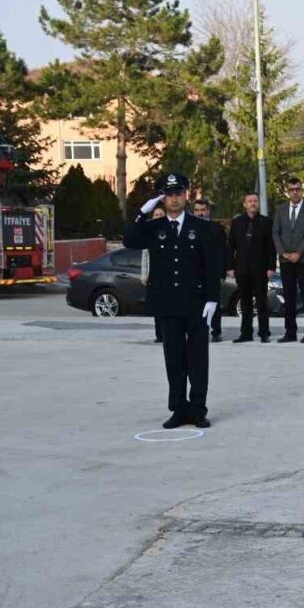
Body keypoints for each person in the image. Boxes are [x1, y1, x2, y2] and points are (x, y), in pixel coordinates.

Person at [123, 172, 221, 428]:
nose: (174, 199)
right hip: (167, 303)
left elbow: (212, 265)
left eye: (178, 194)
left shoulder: (202, 227)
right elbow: (129, 239)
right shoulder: (153, 228)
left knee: (198, 359)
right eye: (169, 195)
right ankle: (178, 409)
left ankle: (198, 409)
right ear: (162, 198)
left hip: (197, 303)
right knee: (174, 359)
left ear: (186, 195)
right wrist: (141, 212)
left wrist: (213, 298)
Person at [272, 177, 304, 343]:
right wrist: (283, 253)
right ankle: (290, 332)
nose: (295, 192)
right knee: (289, 297)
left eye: (298, 189)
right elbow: (275, 233)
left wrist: (299, 252)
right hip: (285, 261)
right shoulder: (280, 209)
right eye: (292, 189)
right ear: (288, 191)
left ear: (302, 190)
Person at [226, 191, 276, 343]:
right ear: (245, 204)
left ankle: (264, 332)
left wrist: (271, 267)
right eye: (249, 201)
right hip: (242, 268)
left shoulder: (267, 222)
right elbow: (230, 247)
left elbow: (271, 247)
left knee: (261, 301)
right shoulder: (237, 222)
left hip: (261, 268)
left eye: (255, 201)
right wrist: (230, 266)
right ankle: (246, 333)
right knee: (245, 301)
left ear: (258, 203)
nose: (252, 203)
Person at [192, 199, 228, 342]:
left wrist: (222, 272)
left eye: (203, 210)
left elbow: (223, 252)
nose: (200, 213)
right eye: (197, 210)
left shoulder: (217, 229)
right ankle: (198, 330)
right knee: (196, 303)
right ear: (193, 211)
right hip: (194, 273)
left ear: (208, 211)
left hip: (213, 272)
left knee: (214, 302)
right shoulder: (189, 227)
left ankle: (216, 330)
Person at [141, 206, 167, 343]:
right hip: (154, 276)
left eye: (161, 214)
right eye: (156, 215)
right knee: (157, 307)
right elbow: (145, 256)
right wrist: (144, 274)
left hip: (168, 276)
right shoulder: (149, 233)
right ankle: (159, 335)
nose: (158, 217)